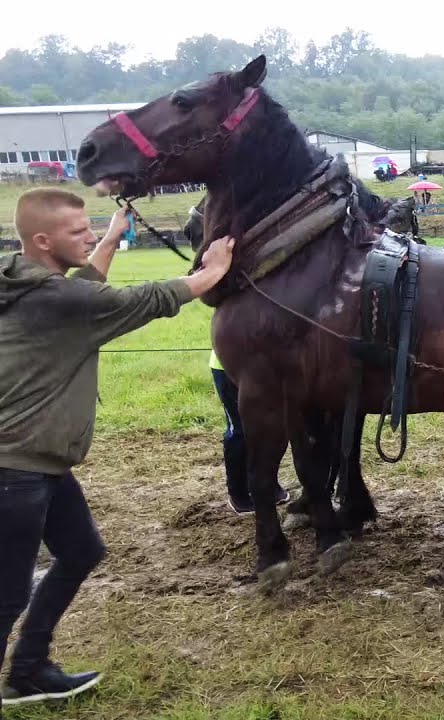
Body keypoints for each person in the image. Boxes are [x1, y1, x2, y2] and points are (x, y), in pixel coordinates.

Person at [0, 188, 234, 706]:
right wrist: (210, 272)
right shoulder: (61, 300)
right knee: (7, 593)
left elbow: (84, 285)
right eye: (76, 231)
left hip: (40, 464)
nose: (89, 235)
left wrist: (107, 237)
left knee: (82, 550)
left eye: (92, 227)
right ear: (43, 240)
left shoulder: (21, 278)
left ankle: (30, 671)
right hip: (14, 470)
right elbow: (143, 299)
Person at [210, 351, 289, 514]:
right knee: (239, 429)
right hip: (228, 367)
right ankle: (238, 494)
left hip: (263, 368)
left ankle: (267, 484)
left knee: (268, 427)